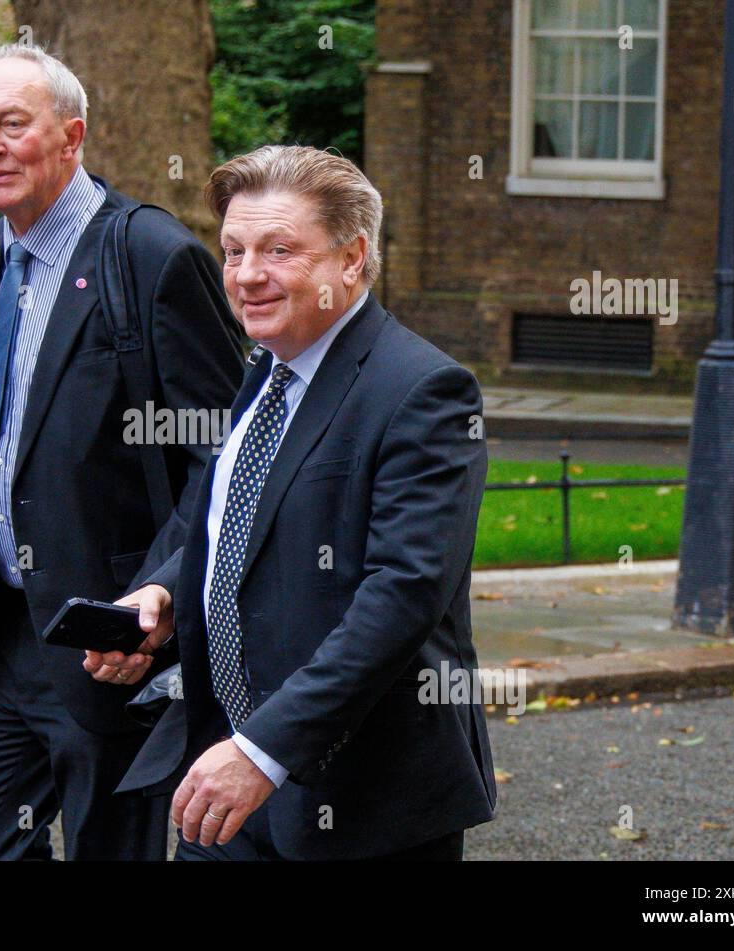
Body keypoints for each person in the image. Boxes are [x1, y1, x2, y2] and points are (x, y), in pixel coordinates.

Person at [94, 145, 497, 860]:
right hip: (224, 788)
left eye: (279, 250)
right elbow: (231, 518)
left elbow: (402, 596)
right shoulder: (267, 369)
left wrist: (263, 750)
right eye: (234, 250)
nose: (248, 275)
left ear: (351, 259)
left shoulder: (425, 391)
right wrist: (159, 594)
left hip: (361, 803)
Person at [0, 44, 243, 860]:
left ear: (71, 136)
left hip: (108, 641)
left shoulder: (151, 256)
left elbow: (224, 457)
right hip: (0, 637)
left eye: (11, 124)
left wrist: (161, 597)